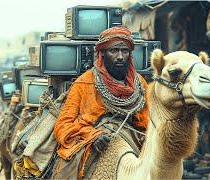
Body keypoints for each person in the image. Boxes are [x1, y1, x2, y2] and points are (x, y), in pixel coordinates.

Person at [53, 26, 150, 178]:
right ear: (102, 54)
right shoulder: (84, 83)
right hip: (94, 143)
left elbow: (148, 123)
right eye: (114, 51)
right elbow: (62, 127)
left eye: (124, 51)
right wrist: (93, 135)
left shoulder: (141, 84)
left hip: (132, 143)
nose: (120, 56)